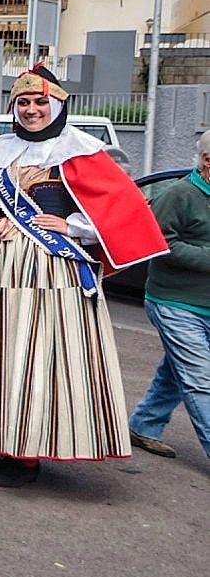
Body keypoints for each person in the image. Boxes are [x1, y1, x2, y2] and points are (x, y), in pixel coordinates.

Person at [0, 66, 167, 487]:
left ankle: (27, 454)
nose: (32, 110)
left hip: (50, 270)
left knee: (38, 359)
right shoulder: (0, 149)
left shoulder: (81, 150)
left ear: (57, 105)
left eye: (40, 102)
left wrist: (71, 225)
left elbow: (123, 210)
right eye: (24, 103)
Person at [129, 128, 210, 460]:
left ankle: (144, 425)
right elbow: (159, 243)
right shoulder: (179, 194)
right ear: (208, 160)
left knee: (177, 371)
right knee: (200, 379)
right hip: (175, 302)